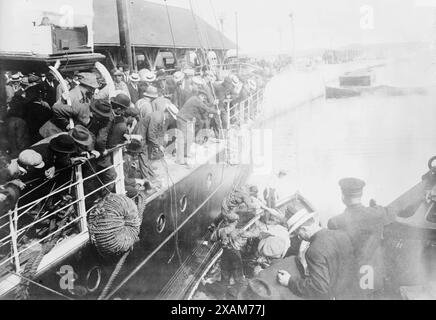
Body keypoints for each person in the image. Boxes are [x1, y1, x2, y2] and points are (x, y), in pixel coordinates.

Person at [327, 177, 396, 299]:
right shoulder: (378, 213)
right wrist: (375, 207)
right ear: (361, 194)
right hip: (375, 278)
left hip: (351, 284)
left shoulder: (335, 222)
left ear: (343, 196)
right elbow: (392, 212)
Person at [277, 211, 358, 300]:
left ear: (304, 229)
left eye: (298, 234)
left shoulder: (314, 250)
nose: (299, 237)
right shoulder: (341, 234)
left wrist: (290, 281)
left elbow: (320, 289)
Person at [40, 73, 99, 138]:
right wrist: (66, 124)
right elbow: (55, 109)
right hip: (52, 131)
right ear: (87, 86)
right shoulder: (72, 96)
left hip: (63, 131)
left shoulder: (84, 95)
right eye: (93, 88)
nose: (94, 90)